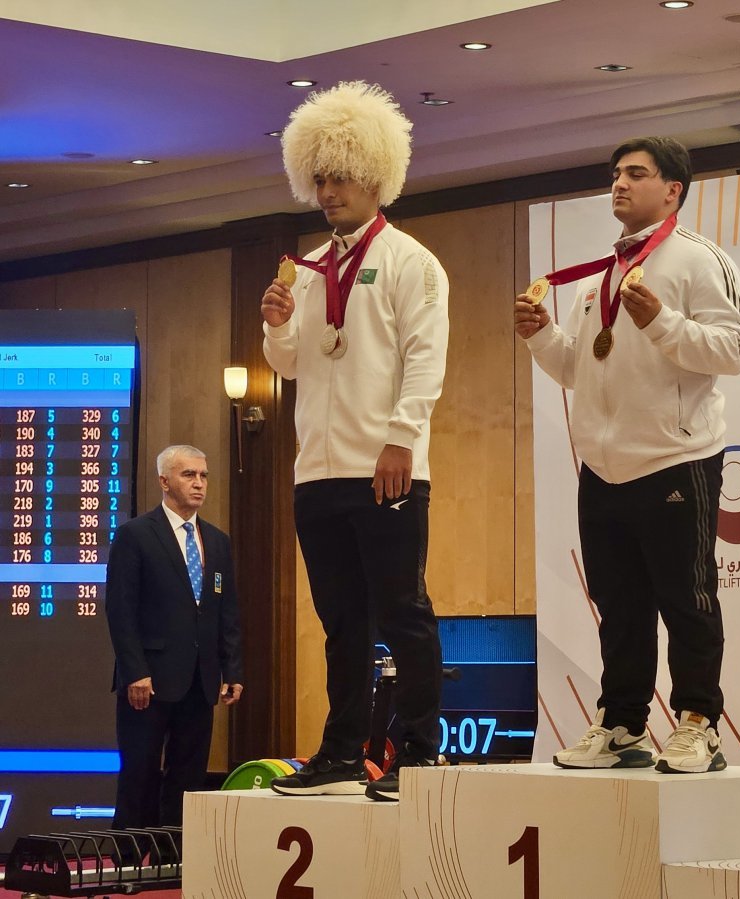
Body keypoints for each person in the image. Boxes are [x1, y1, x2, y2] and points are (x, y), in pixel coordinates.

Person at [515, 136, 740, 774]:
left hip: (676, 459)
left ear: (673, 189)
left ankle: (699, 722)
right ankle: (622, 725)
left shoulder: (701, 260)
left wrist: (663, 324)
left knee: (688, 600)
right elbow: (581, 368)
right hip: (604, 468)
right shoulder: (603, 274)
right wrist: (543, 339)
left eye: (636, 174)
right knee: (620, 608)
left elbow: (733, 351)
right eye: (615, 173)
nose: (618, 183)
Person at [261, 81, 449, 802]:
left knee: (403, 609)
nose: (327, 191)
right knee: (341, 622)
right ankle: (342, 751)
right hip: (318, 471)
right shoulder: (306, 270)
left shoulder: (412, 261)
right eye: (319, 178)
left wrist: (401, 438)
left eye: (339, 177)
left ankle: (420, 752)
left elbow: (426, 357)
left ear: (374, 176)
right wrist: (277, 323)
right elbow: (289, 365)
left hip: (386, 466)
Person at [105, 445, 243, 830]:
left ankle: (176, 856)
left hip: (200, 679)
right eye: (189, 475)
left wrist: (232, 669)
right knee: (141, 773)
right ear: (164, 481)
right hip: (148, 680)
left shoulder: (217, 541)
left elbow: (226, 612)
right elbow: (120, 610)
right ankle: (130, 859)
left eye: (203, 475)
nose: (199, 484)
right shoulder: (135, 535)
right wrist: (135, 672)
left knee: (188, 774)